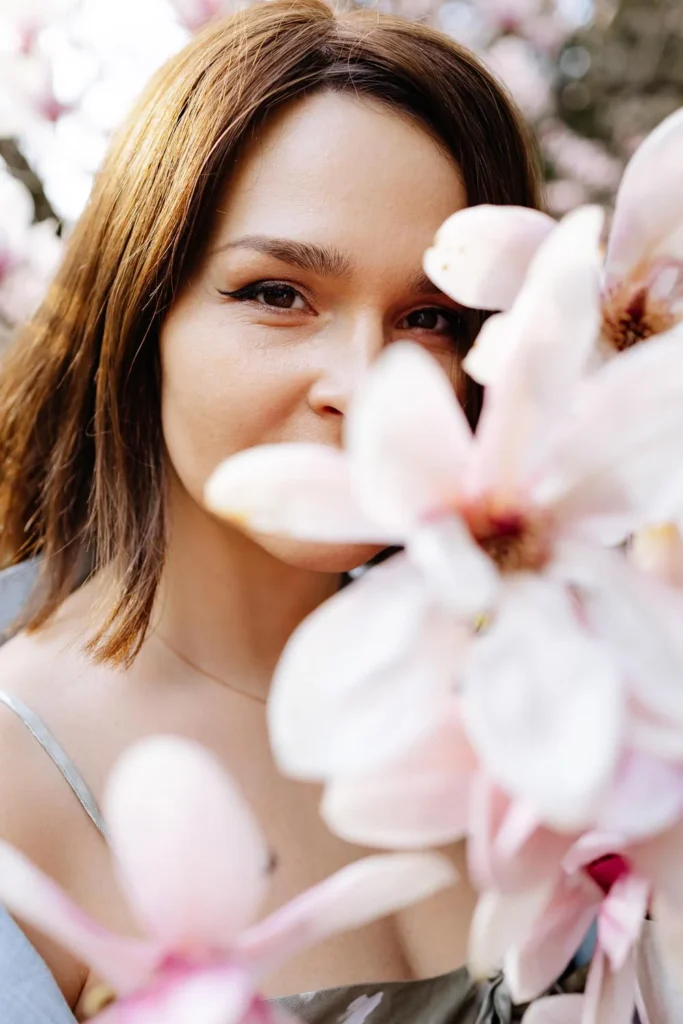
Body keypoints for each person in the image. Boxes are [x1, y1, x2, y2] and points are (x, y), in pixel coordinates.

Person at [0, 1, 556, 1020]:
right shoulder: (15, 776)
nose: (364, 381)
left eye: (428, 318)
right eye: (277, 293)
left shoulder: (543, 692)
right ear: (143, 308)